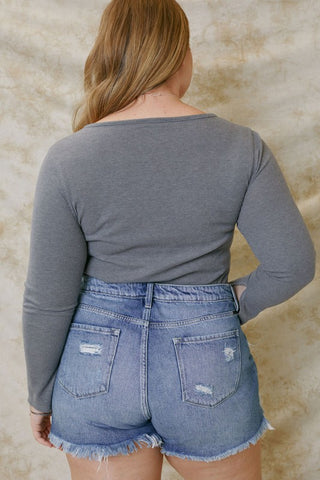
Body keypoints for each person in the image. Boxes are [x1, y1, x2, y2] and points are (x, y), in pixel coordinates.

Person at [22, 0, 315, 479]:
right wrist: (223, 307)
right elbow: (293, 264)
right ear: (182, 55)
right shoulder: (242, 147)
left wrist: (40, 394)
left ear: (110, 54)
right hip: (205, 359)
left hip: (96, 367)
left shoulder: (68, 158)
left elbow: (47, 299)